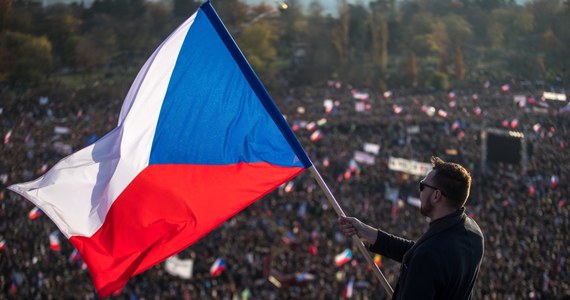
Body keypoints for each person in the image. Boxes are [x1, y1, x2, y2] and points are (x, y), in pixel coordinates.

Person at [339, 156, 484, 299]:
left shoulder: (430, 254)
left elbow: (425, 257)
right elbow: (420, 253)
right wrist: (365, 231)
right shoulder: (473, 232)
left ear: (436, 195)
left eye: (422, 186)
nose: (419, 192)